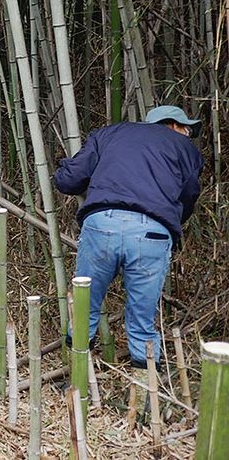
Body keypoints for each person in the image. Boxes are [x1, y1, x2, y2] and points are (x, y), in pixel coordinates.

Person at [53, 105, 203, 373]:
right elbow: (189, 195)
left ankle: (76, 384)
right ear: (171, 125)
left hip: (102, 225)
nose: (187, 134)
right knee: (142, 318)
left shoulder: (110, 133)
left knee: (85, 306)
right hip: (153, 233)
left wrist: (63, 165)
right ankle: (146, 398)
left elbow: (68, 180)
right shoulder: (185, 149)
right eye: (185, 128)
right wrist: (169, 218)